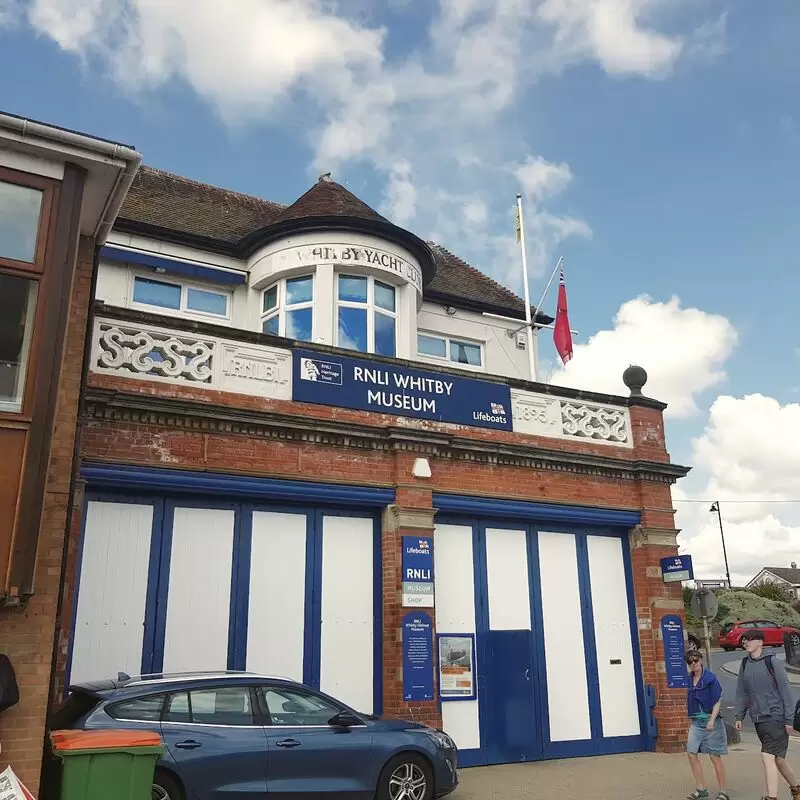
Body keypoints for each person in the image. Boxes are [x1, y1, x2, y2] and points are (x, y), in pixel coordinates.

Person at [734, 628, 800, 800]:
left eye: (750, 639)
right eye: (745, 639)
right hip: (758, 718)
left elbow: (786, 691)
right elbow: (742, 692)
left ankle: (771, 797)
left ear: (760, 642)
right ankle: (797, 788)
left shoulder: (772, 662)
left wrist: (789, 719)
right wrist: (739, 715)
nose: (746, 642)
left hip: (775, 717)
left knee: (767, 755)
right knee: (778, 759)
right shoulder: (744, 663)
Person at [685, 649, 729, 800]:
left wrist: (712, 720)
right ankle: (701, 788)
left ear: (701, 660)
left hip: (711, 721)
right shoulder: (689, 679)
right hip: (696, 722)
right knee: (691, 753)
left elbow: (717, 700)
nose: (693, 664)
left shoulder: (711, 678)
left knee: (714, 757)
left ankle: (723, 791)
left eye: (695, 660)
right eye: (690, 662)